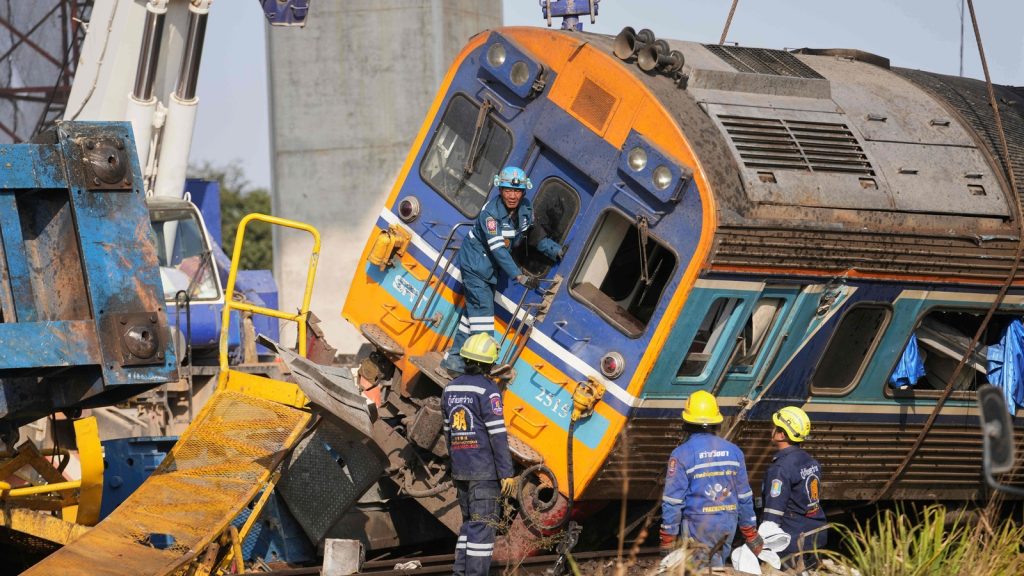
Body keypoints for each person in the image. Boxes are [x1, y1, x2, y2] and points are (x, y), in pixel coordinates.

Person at [439, 165, 563, 376]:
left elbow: (534, 235)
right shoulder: (490, 214)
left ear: (523, 192)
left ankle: (454, 361)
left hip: (490, 270)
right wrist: (520, 276)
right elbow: (498, 250)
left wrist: (556, 251)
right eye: (507, 190)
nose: (512, 195)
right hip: (475, 265)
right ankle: (486, 363)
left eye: (517, 191)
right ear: (500, 190)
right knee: (483, 313)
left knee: (472, 315)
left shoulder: (525, 210)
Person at [441, 332, 517, 576]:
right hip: (484, 472)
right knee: (482, 532)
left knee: (468, 528)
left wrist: (455, 464)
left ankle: (459, 573)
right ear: (489, 363)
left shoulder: (450, 389)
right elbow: (497, 435)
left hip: (461, 469)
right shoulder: (488, 391)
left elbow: (447, 433)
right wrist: (506, 473)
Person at [660, 390, 762, 568]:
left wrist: (668, 537)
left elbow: (673, 501)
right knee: (717, 566)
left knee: (701, 570)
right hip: (728, 522)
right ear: (717, 422)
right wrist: (749, 531)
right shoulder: (734, 451)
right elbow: (744, 496)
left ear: (687, 422)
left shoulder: (681, 454)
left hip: (698, 524)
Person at [760, 406, 827, 571]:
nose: (772, 429)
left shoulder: (780, 468)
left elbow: (772, 515)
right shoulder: (810, 461)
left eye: (774, 426)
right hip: (816, 534)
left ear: (782, 434)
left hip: (792, 541)